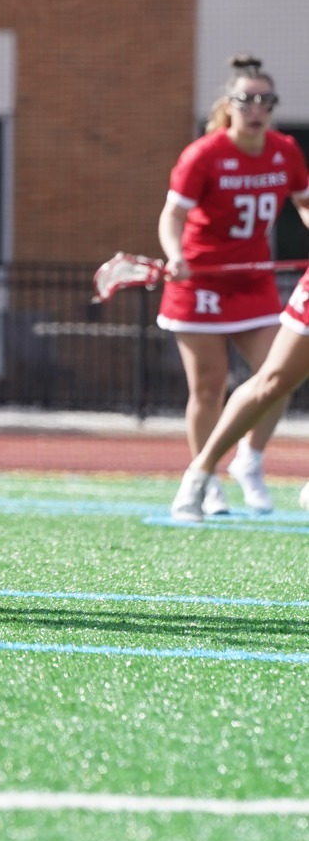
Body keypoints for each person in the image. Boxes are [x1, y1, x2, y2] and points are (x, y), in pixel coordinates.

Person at [165, 57, 309, 521]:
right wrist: (176, 255)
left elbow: (304, 203)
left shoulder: (285, 150)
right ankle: (206, 482)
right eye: (247, 99)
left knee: (278, 377)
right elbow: (173, 216)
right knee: (208, 387)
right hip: (202, 280)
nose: (257, 108)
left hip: (252, 280)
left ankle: (251, 459)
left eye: (266, 100)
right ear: (230, 105)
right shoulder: (203, 155)